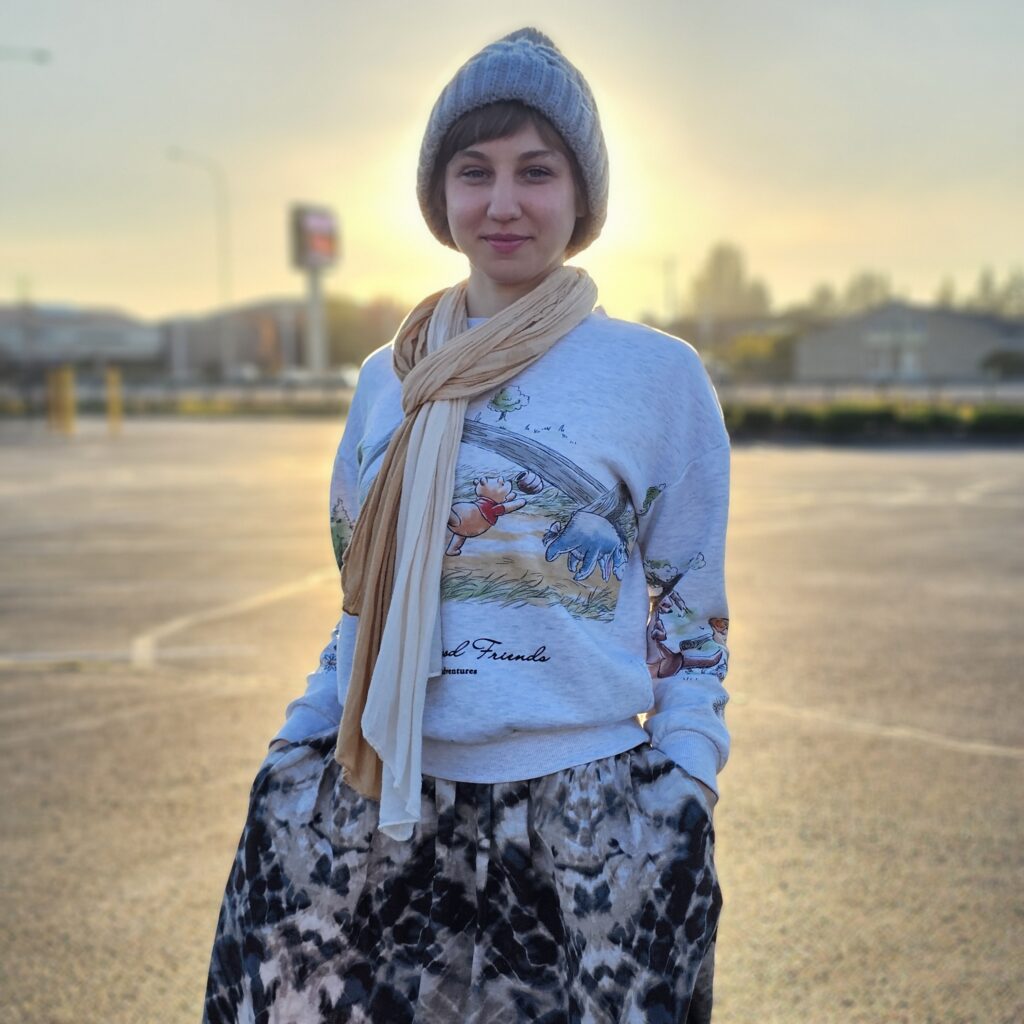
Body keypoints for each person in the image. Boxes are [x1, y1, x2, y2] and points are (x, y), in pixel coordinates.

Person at [203, 25, 731, 1024]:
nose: (502, 202)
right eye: (473, 170)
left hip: (589, 815)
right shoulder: (385, 379)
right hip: (383, 799)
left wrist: (682, 788)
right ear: (438, 196)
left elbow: (690, 615)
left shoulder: (658, 378)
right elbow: (362, 604)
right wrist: (295, 749)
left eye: (536, 171)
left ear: (581, 199)